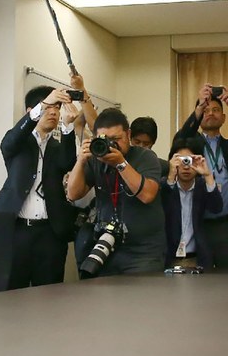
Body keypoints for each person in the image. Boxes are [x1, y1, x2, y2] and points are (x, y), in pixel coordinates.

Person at [0, 83, 81, 289]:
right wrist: (45, 102)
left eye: (57, 108)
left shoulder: (58, 146)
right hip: (16, 230)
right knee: (11, 293)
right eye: (49, 107)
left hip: (50, 232)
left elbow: (68, 163)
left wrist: (68, 127)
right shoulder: (17, 143)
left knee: (50, 295)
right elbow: (11, 140)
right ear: (32, 111)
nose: (54, 112)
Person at [66, 108, 166, 276]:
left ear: (128, 134)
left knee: (144, 300)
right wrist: (81, 160)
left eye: (116, 139)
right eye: (105, 139)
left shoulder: (145, 157)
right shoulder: (97, 158)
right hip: (107, 246)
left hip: (143, 252)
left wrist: (121, 163)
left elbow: (147, 195)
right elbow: (73, 194)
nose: (111, 145)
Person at [173, 84, 228, 270]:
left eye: (216, 110)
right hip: (200, 222)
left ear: (224, 118)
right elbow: (180, 138)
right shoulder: (191, 144)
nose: (210, 113)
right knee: (203, 279)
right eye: (206, 110)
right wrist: (199, 106)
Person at [161, 136, 222, 269]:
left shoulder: (203, 186)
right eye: (182, 160)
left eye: (190, 160)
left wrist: (208, 175)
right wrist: (170, 176)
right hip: (168, 259)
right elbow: (163, 207)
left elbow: (217, 208)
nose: (186, 166)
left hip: (197, 259)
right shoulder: (165, 186)